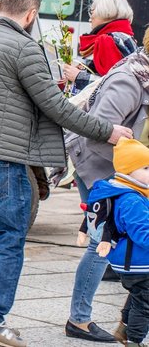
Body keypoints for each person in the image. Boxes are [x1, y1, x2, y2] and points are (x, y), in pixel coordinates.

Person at [0, 0, 133, 346]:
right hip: (3, 160)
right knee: (9, 238)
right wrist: (107, 131)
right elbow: (55, 107)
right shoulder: (25, 48)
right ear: (30, 14)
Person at [64, 26, 149, 343]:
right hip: (100, 163)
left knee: (136, 239)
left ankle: (129, 322)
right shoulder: (130, 79)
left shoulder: (146, 74)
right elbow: (96, 126)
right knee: (101, 241)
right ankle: (79, 319)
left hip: (131, 168)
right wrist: (133, 167)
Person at [87, 139, 149, 346]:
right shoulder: (132, 199)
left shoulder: (126, 193)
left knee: (138, 295)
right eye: (146, 167)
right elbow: (143, 235)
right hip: (139, 262)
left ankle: (124, 328)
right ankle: (134, 340)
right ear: (128, 171)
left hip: (130, 262)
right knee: (145, 302)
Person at [62, 0, 138, 96]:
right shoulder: (124, 36)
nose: (90, 18)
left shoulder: (108, 41)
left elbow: (112, 86)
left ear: (105, 13)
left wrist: (78, 76)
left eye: (92, 12)